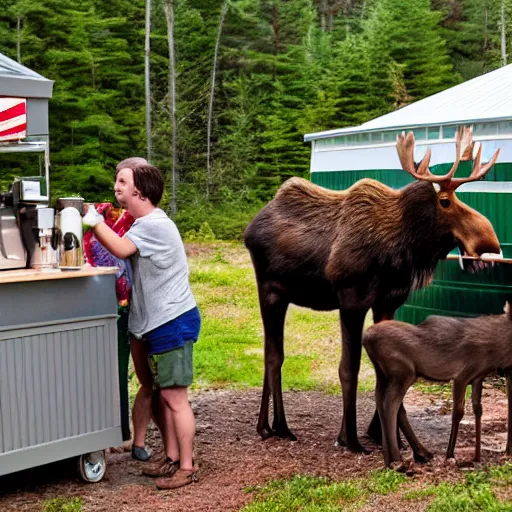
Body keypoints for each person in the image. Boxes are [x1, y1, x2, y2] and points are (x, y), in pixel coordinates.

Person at [83, 160, 200, 490]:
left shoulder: (153, 225)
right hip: (157, 322)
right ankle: (172, 458)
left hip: (173, 320)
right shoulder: (142, 223)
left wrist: (94, 222)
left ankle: (187, 468)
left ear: (140, 190)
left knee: (176, 399)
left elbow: (119, 249)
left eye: (122, 181)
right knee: (163, 396)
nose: (116, 186)